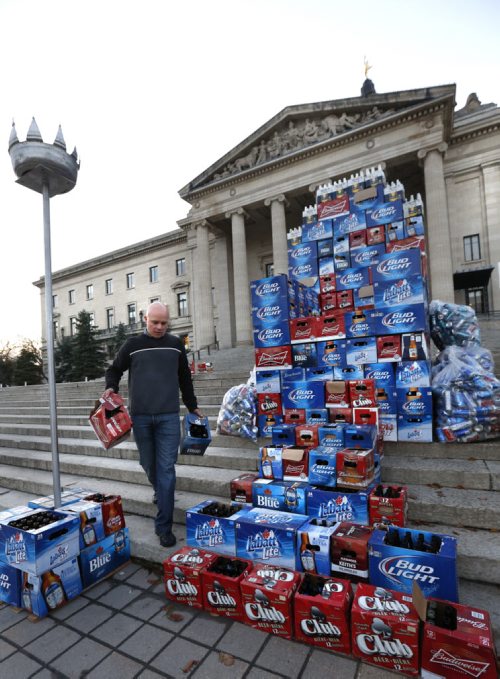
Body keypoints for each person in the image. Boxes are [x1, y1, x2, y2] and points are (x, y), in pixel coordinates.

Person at [103, 302, 203, 548]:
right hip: (141, 418)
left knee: (166, 469)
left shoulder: (176, 345)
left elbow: (184, 378)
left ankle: (164, 526)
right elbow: (114, 369)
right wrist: (110, 388)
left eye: (164, 323)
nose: (159, 327)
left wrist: (193, 407)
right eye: (154, 322)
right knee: (147, 464)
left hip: (169, 416)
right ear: (145, 319)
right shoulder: (132, 346)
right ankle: (160, 491)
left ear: (168, 322)